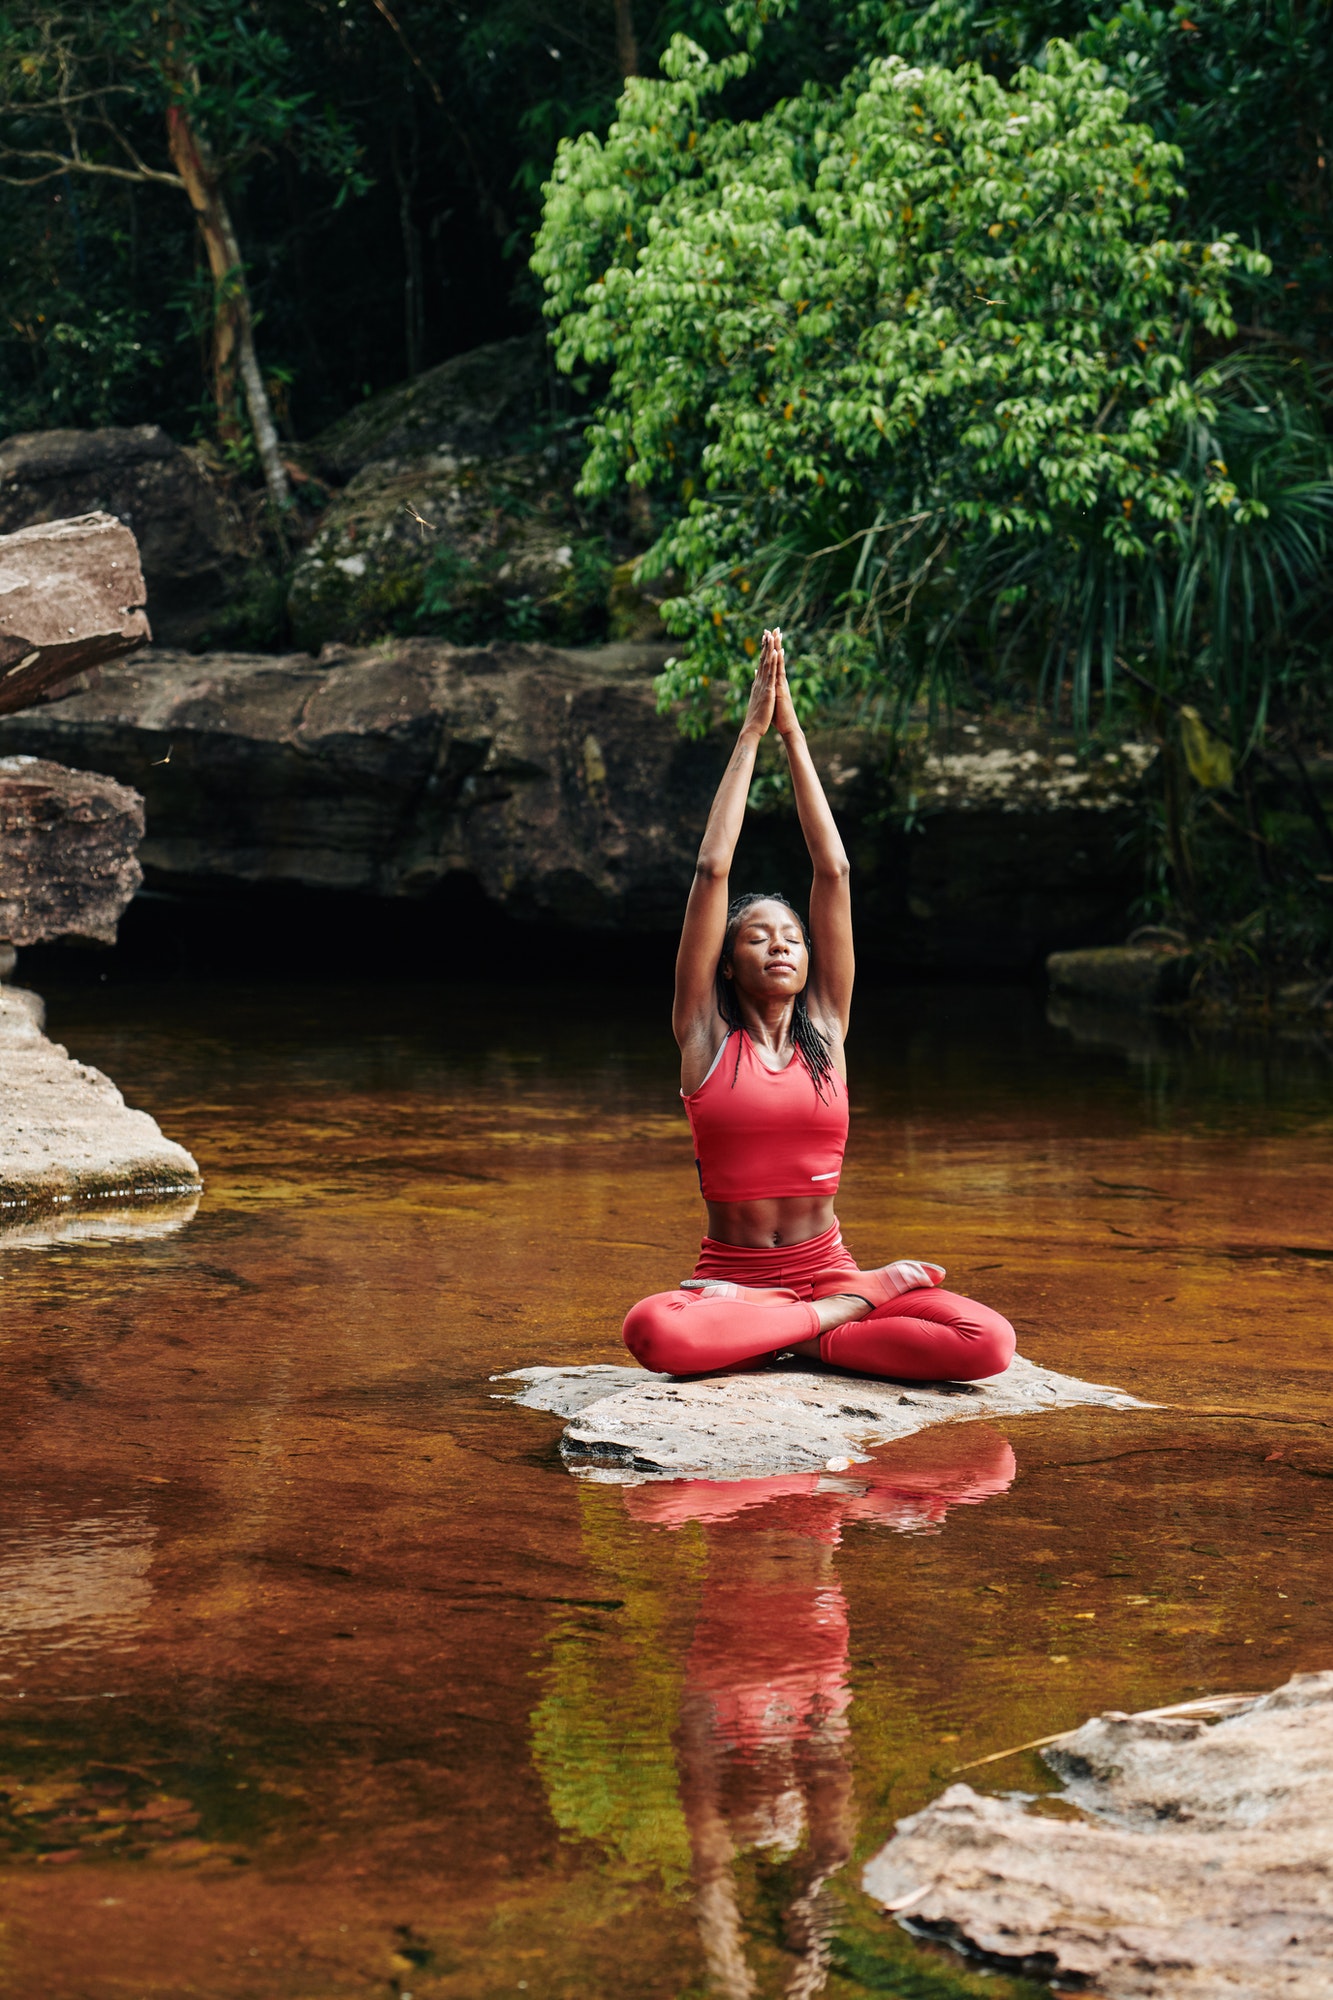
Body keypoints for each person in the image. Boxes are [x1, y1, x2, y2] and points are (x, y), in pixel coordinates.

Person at [622, 628, 1016, 1382]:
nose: (779, 946)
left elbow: (831, 870)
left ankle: (790, 1332)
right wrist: (748, 733)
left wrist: (794, 733)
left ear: (808, 963)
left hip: (824, 1271)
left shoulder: (827, 1030)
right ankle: (825, 1325)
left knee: (987, 1341)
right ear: (726, 966)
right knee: (649, 1331)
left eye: (792, 938)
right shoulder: (702, 1035)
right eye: (757, 938)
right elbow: (711, 869)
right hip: (730, 1280)